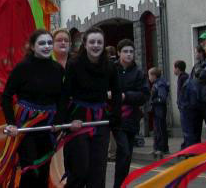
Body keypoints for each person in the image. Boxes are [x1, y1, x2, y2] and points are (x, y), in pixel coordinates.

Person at [0, 29, 65, 187]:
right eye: (42, 43)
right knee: (30, 169)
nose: (46, 46)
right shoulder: (22, 68)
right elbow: (6, 96)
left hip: (49, 125)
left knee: (44, 169)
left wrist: (59, 121)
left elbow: (62, 98)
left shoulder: (58, 69)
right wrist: (11, 123)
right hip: (27, 124)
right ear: (33, 47)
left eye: (49, 43)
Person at [61, 27, 122, 188]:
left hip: (100, 119)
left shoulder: (110, 65)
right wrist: (66, 121)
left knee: (98, 172)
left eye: (99, 42)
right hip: (78, 118)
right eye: (92, 42)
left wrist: (116, 115)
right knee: (80, 170)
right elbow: (65, 94)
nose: (96, 45)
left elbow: (116, 92)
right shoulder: (74, 64)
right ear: (85, 44)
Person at [112, 39, 149, 188]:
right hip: (116, 119)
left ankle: (121, 184)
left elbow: (144, 95)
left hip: (131, 119)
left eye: (131, 52)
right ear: (119, 53)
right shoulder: (111, 70)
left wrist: (125, 96)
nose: (128, 54)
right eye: (125, 51)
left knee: (126, 157)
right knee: (124, 151)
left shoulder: (138, 73)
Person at [148, 67, 169, 158]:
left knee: (160, 128)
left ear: (154, 76)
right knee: (156, 129)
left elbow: (162, 98)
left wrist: (153, 101)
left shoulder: (160, 84)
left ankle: (162, 148)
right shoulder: (157, 83)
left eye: (149, 76)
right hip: (156, 109)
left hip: (160, 109)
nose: (149, 78)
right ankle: (156, 148)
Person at [174, 60, 193, 149]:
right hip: (183, 105)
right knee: (185, 128)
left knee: (186, 128)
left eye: (174, 68)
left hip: (185, 106)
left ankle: (188, 147)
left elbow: (183, 92)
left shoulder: (183, 77)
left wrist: (181, 103)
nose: (174, 70)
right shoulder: (182, 77)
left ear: (178, 68)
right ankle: (186, 145)